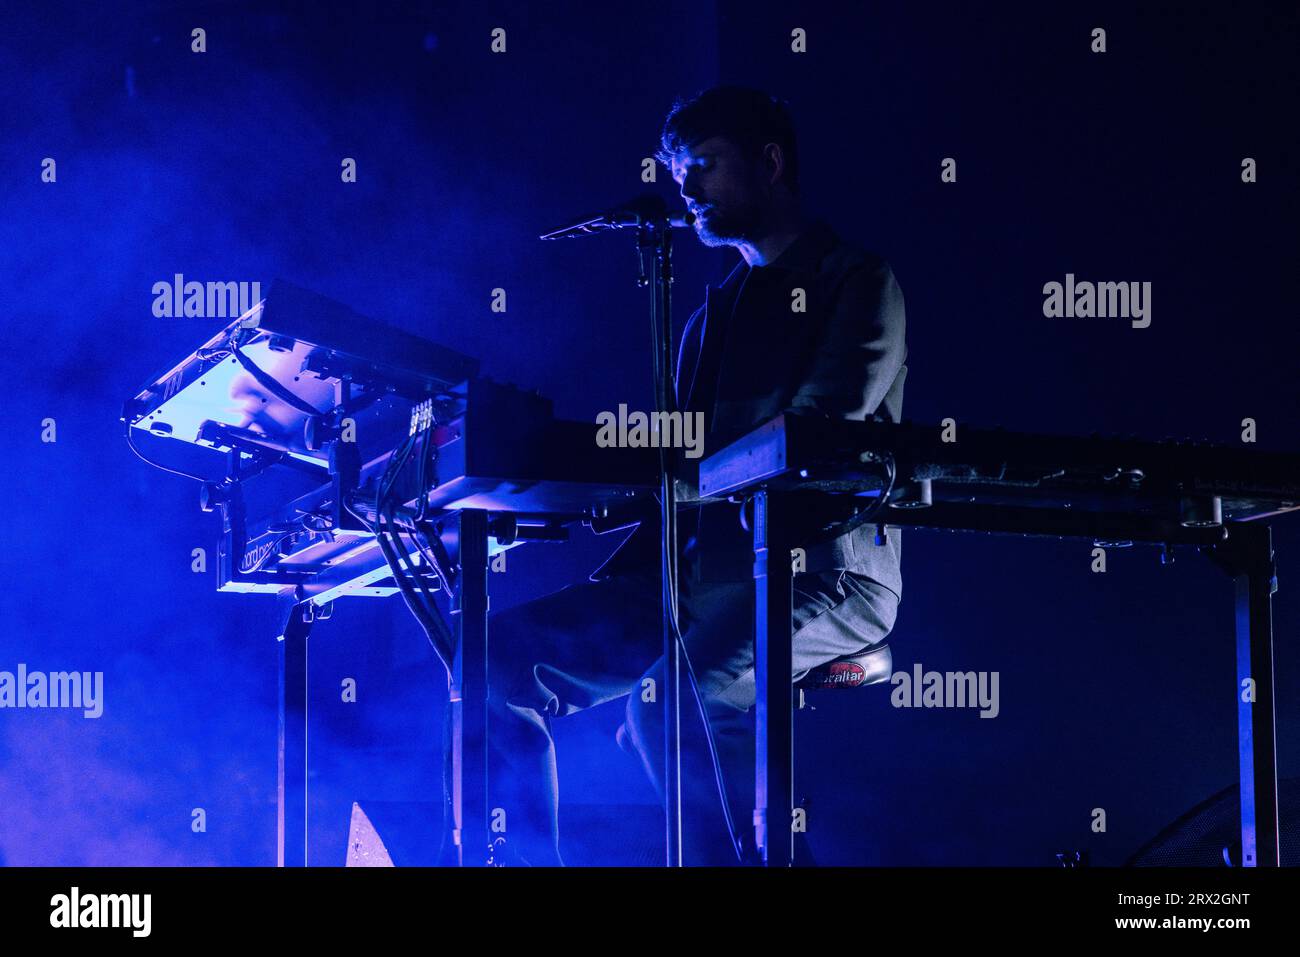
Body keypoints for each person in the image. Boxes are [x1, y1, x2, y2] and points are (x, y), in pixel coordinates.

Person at [481, 86, 908, 865]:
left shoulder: (858, 280)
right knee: (494, 658)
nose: (685, 189)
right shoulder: (707, 320)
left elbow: (817, 435)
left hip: (819, 571)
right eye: (678, 170)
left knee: (670, 700)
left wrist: (669, 468)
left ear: (770, 163)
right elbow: (675, 474)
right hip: (692, 576)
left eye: (704, 165)